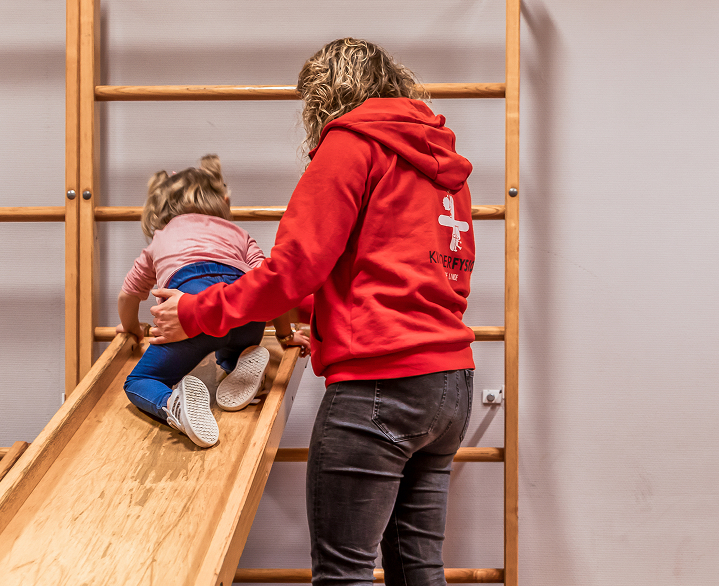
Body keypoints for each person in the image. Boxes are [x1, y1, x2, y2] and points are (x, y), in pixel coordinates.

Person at [150, 39, 475, 584]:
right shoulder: (441, 165)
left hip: (380, 387)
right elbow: (396, 275)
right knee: (418, 570)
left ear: (326, 95)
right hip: (449, 386)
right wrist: (310, 314)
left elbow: (293, 270)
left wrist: (196, 313)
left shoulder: (351, 144)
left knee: (343, 573)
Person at [117, 154, 309, 449]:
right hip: (244, 314)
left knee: (139, 381)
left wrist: (131, 327)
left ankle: (173, 405)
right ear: (222, 201)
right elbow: (270, 287)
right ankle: (238, 362)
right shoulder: (240, 234)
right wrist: (285, 336)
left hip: (190, 309)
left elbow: (129, 294)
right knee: (231, 343)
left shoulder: (160, 238)